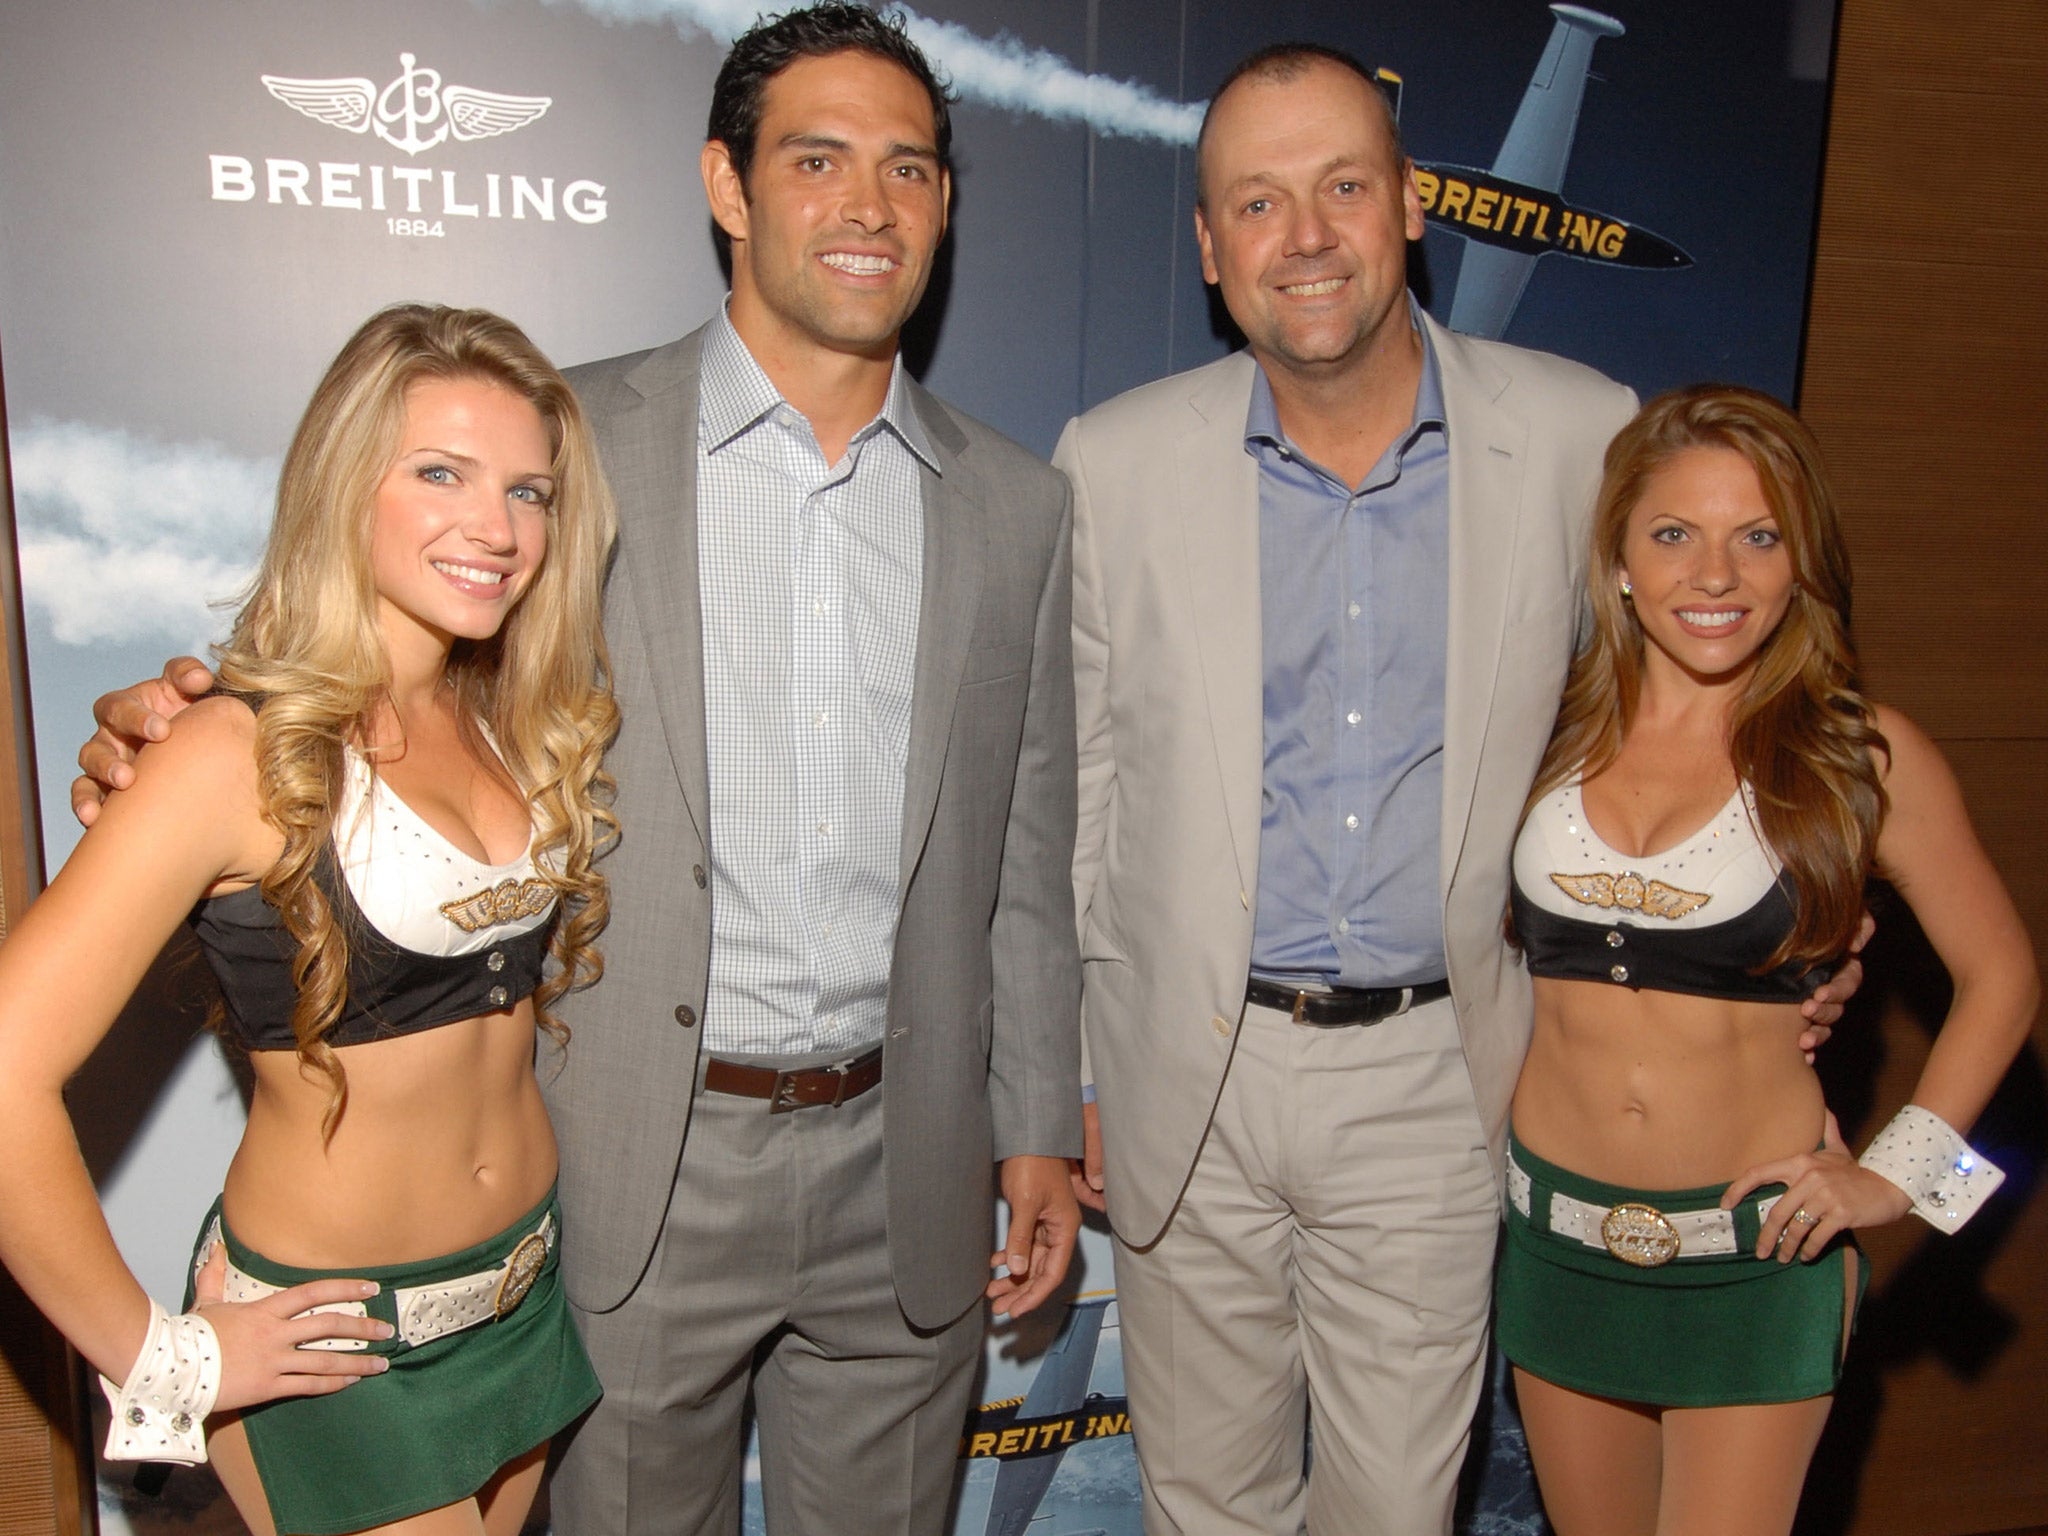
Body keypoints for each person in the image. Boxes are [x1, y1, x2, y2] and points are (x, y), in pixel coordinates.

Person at [72, 8, 1083, 1534]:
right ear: (729, 190)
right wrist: (164, 733)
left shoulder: (1018, 507)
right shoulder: (556, 453)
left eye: (912, 169)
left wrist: (1037, 1126)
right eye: (818, 160)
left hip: (912, 1166)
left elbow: (1023, 848)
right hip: (629, 1172)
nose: (871, 206)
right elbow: (365, 684)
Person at [1056, 43, 1859, 1536]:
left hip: (1438, 1079)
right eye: (1259, 202)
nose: (1306, 237)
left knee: (1395, 1510)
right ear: (1211, 246)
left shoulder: (1578, 430)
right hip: (1184, 1075)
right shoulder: (1113, 463)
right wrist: (1077, 1066)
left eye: (1343, 187)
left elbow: (1716, 696)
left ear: (1412, 203)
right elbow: (1083, 793)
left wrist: (1806, 931)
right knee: (1202, 1505)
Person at [0, 303, 617, 1536]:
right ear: (345, 486)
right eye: (440, 473)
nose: (496, 530)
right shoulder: (229, 749)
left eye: (529, 491)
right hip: (343, 1343)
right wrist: (163, 1357)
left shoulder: (509, 709)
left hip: (522, 1293)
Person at [1497, 384, 2035, 1535]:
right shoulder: (1536, 733)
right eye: (1673, 534)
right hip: (1551, 1240)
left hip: (1753, 1258)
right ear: (1620, 560)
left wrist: (1902, 1184)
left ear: (1800, 561)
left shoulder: (1862, 754)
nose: (1714, 574)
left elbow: (2005, 980)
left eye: (1757, 536)